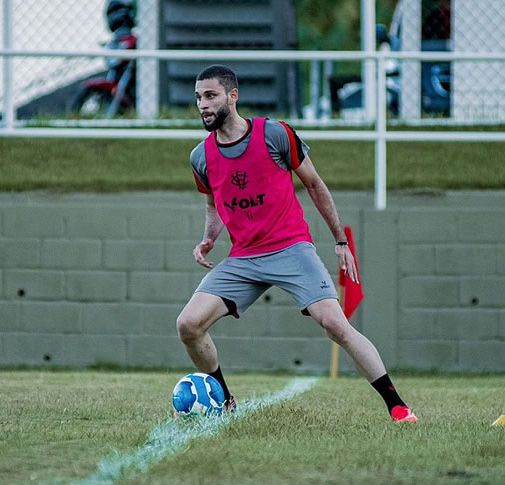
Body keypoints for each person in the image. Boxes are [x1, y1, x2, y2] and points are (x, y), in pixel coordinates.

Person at [177, 64, 417, 422]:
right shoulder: (201, 157)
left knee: (336, 325)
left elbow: (316, 185)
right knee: (188, 325)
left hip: (291, 249)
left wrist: (340, 241)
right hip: (243, 258)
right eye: (198, 98)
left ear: (232, 96)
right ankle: (225, 400)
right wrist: (208, 238)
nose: (203, 105)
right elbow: (213, 203)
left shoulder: (275, 134)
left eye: (210, 96)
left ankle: (397, 406)